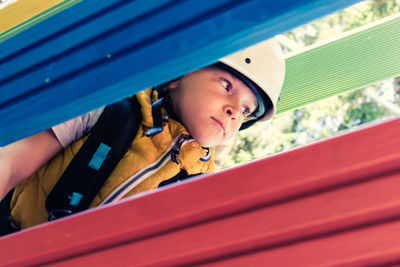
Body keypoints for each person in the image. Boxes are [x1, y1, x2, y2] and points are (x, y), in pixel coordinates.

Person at [0, 38, 286, 234]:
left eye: (248, 110)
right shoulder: (110, 109)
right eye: (226, 86)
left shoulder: (202, 184)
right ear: (177, 77)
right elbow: (11, 164)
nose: (235, 111)